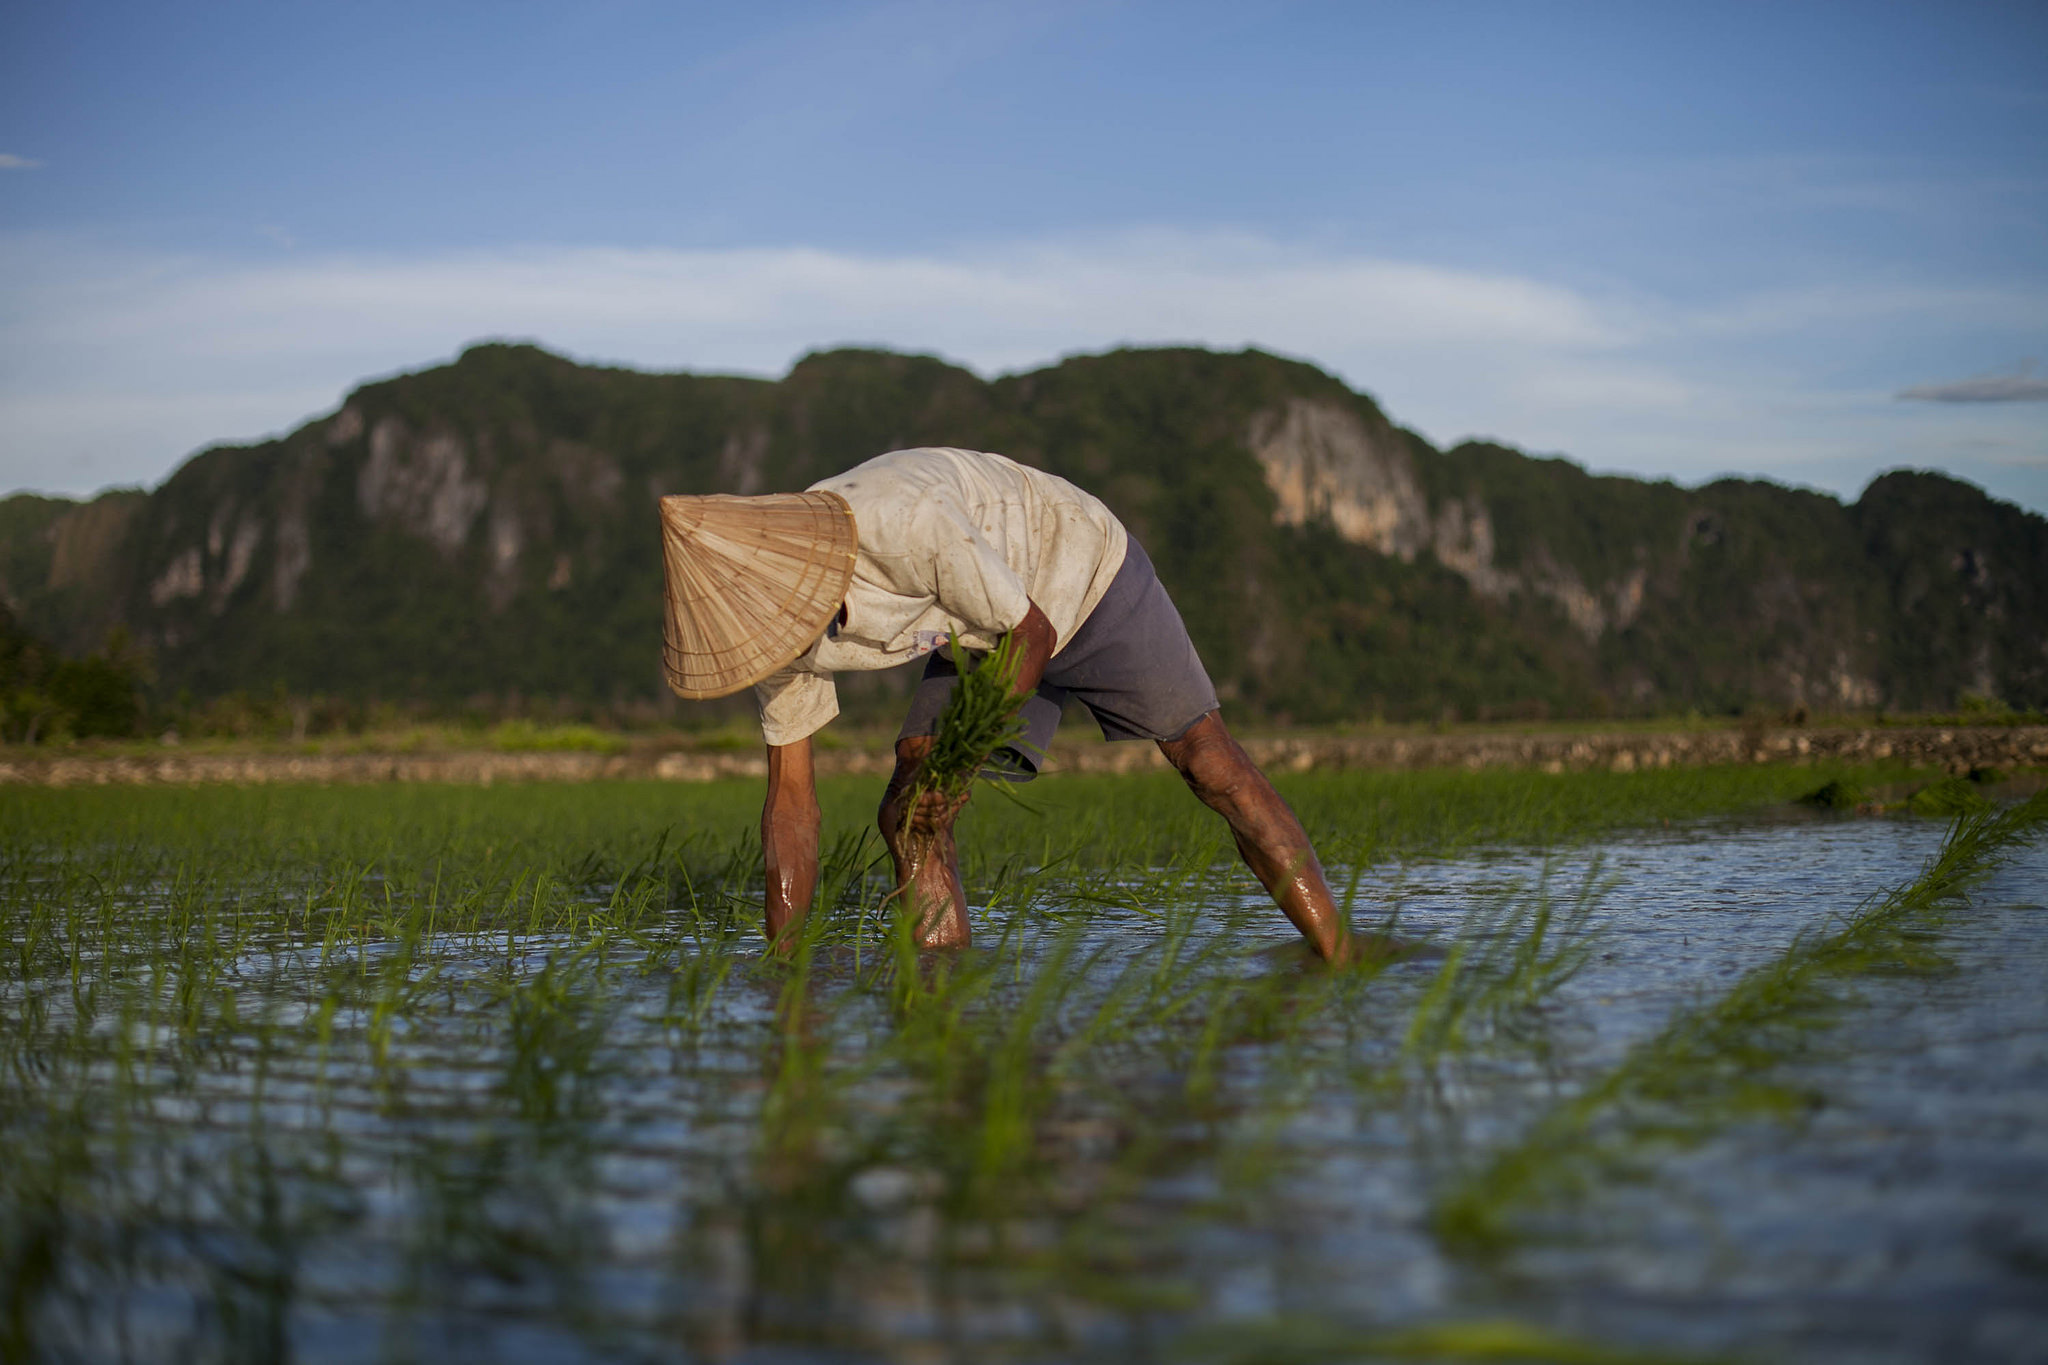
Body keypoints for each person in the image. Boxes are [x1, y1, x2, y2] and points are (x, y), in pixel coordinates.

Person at [657, 446, 1359, 963]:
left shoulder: (902, 524)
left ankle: (1342, 955)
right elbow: (791, 808)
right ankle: (942, 984)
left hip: (1079, 563)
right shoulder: (767, 634)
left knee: (1209, 763)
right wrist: (784, 966)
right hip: (983, 623)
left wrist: (957, 771)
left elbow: (1033, 633)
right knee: (911, 807)